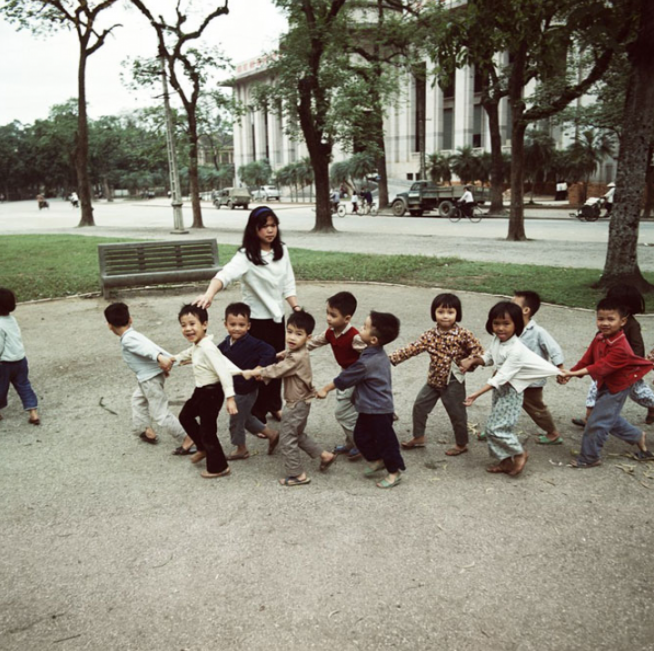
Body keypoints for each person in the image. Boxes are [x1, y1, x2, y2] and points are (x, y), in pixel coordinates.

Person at [194, 206, 301, 425]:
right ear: (254, 229)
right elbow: (224, 275)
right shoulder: (246, 256)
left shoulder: (282, 250)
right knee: (258, 368)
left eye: (273, 225)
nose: (270, 230)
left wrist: (296, 307)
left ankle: (273, 406)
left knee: (276, 363)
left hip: (277, 320)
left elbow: (288, 282)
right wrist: (209, 294)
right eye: (264, 226)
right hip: (257, 322)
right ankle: (256, 413)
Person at [461, 302, 562, 476]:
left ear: (516, 324)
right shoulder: (497, 339)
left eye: (506, 324)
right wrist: (473, 360)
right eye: (496, 323)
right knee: (494, 427)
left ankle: (519, 453)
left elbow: (501, 377)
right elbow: (489, 357)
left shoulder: (517, 350)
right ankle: (505, 461)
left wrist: (475, 394)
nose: (500, 328)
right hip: (500, 390)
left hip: (511, 392)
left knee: (496, 429)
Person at [241, 310, 336, 487]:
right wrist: (282, 354)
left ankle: (297, 474)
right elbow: (288, 359)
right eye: (289, 331)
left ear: (308, 337)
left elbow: (279, 370)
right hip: (302, 402)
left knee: (287, 438)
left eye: (298, 334)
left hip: (296, 404)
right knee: (297, 434)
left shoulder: (296, 358)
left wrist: (257, 372)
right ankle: (324, 455)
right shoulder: (298, 351)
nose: (292, 337)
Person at [560, 297, 653, 468]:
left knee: (597, 422)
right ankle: (637, 436)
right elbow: (588, 359)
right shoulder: (600, 337)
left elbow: (600, 367)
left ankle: (590, 457)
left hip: (617, 388)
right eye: (601, 318)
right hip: (604, 384)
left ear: (622, 321)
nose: (605, 323)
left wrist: (572, 373)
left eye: (611, 319)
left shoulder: (621, 347)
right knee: (607, 417)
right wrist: (571, 373)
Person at [318, 311, 405, 489]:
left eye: (364, 328)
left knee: (386, 442)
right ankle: (377, 460)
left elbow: (346, 377)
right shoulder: (373, 352)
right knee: (360, 436)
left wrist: (326, 388)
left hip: (379, 410)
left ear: (373, 340)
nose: (360, 331)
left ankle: (394, 472)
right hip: (367, 408)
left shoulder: (368, 362)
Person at [389, 293, 483, 457]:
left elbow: (478, 351)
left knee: (457, 414)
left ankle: (462, 444)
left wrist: (470, 361)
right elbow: (412, 348)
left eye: (450, 312)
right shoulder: (430, 335)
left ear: (457, 314)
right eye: (441, 312)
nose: (445, 316)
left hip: (453, 382)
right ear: (434, 313)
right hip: (433, 380)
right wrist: (389, 359)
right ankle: (418, 437)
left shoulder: (463, 334)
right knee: (419, 406)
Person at [104, 302, 188, 449]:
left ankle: (187, 438)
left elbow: (147, 350)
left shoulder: (129, 339)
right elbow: (148, 349)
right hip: (148, 377)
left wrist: (160, 358)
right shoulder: (132, 335)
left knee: (160, 414)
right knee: (137, 400)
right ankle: (144, 429)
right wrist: (161, 366)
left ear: (109, 325)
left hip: (150, 380)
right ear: (130, 319)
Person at [170, 304, 239, 479]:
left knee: (208, 430)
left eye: (192, 324)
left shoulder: (208, 347)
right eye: (184, 325)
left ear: (204, 324)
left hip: (212, 392)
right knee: (185, 416)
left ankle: (219, 467)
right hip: (201, 390)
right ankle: (202, 447)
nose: (188, 329)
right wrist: (173, 359)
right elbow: (188, 354)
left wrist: (230, 398)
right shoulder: (198, 345)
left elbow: (223, 371)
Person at [571, 285, 654, 428]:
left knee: (639, 393)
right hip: (606, 366)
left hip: (627, 368)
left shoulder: (631, 324)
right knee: (595, 387)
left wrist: (635, 362)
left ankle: (652, 405)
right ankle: (589, 417)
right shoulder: (608, 324)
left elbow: (637, 346)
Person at [217, 302, 280, 461]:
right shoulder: (226, 344)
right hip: (236, 387)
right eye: (232, 324)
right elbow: (214, 355)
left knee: (236, 421)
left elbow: (270, 351)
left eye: (241, 325)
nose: (237, 328)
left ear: (248, 326)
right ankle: (271, 435)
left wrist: (260, 367)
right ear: (226, 324)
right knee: (245, 418)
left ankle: (241, 449)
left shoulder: (253, 343)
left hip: (246, 389)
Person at [307, 291, 366, 461]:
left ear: (347, 319)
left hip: (356, 377)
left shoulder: (355, 337)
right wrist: (290, 351)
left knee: (343, 413)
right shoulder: (331, 332)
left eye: (333, 315)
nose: (328, 318)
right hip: (345, 374)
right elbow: (312, 342)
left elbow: (371, 357)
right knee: (349, 409)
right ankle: (351, 444)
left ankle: (362, 444)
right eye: (327, 313)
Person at [512, 290, 565, 445]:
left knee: (536, 407)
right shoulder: (510, 328)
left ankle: (553, 433)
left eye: (513, 305)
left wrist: (560, 369)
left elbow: (554, 350)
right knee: (501, 402)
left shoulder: (538, 332)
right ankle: (496, 429)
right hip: (511, 376)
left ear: (526, 310)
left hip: (531, 380)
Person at [0, 288, 40, 425]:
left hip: (4, 363)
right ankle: (33, 412)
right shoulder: (11, 319)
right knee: (24, 385)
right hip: (20, 360)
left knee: (1, 388)